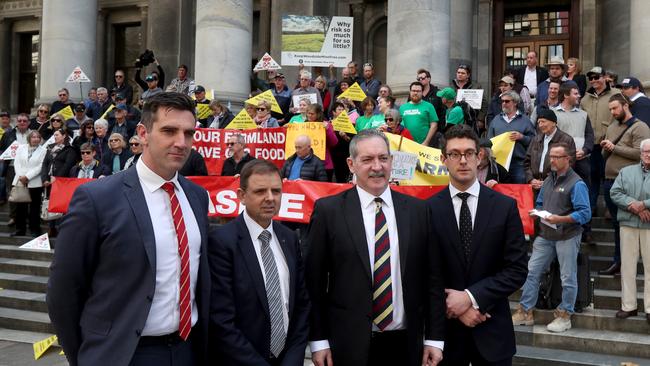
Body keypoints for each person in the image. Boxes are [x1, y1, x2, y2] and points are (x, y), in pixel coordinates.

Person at [47, 92, 211, 366]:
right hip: (123, 354)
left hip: (187, 351)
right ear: (143, 133)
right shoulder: (97, 198)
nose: (181, 143)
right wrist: (87, 357)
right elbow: (63, 290)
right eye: (169, 131)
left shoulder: (197, 196)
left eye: (189, 133)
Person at [306, 129, 445, 366]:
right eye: (367, 159)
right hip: (348, 344)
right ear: (351, 164)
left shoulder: (418, 211)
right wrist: (318, 340)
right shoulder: (328, 211)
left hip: (406, 344)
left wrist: (434, 339)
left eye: (383, 158)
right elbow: (314, 282)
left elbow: (433, 279)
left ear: (391, 161)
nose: (377, 167)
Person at [427, 124, 527, 365]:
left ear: (479, 156)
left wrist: (471, 298)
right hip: (445, 337)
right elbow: (423, 272)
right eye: (454, 154)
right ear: (443, 159)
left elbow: (516, 270)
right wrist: (454, 306)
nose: (463, 160)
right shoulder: (427, 209)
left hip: (492, 330)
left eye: (469, 153)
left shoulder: (504, 207)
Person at [209, 159, 310, 364]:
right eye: (260, 191)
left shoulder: (289, 238)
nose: (270, 198)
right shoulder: (222, 242)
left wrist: (292, 360)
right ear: (241, 196)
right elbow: (221, 320)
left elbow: (300, 306)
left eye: (276, 191)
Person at [513, 142, 591, 333]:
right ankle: (525, 311)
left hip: (567, 236)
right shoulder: (549, 179)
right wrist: (538, 212)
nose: (552, 160)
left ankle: (565, 315)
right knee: (531, 271)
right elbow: (540, 201)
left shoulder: (577, 183)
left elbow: (585, 214)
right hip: (546, 235)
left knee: (567, 277)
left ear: (568, 159)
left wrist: (560, 218)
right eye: (551, 156)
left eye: (556, 157)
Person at [599, 93, 650, 275]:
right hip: (610, 181)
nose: (612, 112)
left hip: (631, 183)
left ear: (625, 105)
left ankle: (631, 263)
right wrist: (605, 147)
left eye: (615, 108)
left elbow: (641, 154)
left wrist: (615, 147)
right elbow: (609, 153)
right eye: (610, 109)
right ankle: (619, 262)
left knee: (631, 225)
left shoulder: (640, 127)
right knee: (617, 224)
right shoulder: (613, 126)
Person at [610, 138, 650, 323]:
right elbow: (615, 193)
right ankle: (629, 306)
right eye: (645, 152)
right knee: (627, 267)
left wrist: (644, 205)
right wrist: (634, 206)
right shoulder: (626, 171)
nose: (648, 155)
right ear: (640, 154)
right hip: (628, 224)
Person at [581, 66, 620, 218]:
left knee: (609, 178)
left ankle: (610, 209)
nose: (593, 80)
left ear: (604, 77)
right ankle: (591, 211)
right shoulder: (584, 99)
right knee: (592, 179)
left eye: (596, 77)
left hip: (610, 144)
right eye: (590, 78)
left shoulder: (616, 94)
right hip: (591, 146)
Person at [487, 90, 537, 183]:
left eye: (507, 101)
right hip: (499, 164)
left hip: (518, 164)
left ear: (515, 103)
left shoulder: (525, 120)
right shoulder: (496, 119)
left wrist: (522, 137)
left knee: (519, 191)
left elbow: (534, 142)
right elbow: (489, 141)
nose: (504, 104)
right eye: (502, 101)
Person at [524, 108, 576, 191]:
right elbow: (527, 162)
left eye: (543, 121)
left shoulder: (566, 140)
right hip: (535, 186)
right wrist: (531, 179)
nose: (540, 125)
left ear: (554, 123)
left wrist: (549, 181)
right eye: (538, 122)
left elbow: (569, 164)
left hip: (555, 186)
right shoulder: (536, 139)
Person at [41, 128, 77, 237]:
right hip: (49, 181)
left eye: (57, 135)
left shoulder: (70, 149)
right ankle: (51, 228)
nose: (55, 137)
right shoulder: (50, 148)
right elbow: (45, 164)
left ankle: (63, 228)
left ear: (64, 136)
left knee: (62, 205)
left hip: (62, 182)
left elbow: (68, 164)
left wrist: (57, 178)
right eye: (54, 135)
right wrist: (45, 179)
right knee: (51, 204)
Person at [11, 130, 46, 237]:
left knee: (34, 207)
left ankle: (34, 229)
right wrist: (22, 176)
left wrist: (27, 176)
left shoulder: (44, 150)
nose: (35, 139)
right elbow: (16, 162)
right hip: (20, 181)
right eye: (33, 137)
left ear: (40, 139)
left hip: (35, 182)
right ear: (29, 138)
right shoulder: (21, 148)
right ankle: (20, 230)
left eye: (38, 137)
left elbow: (40, 166)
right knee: (20, 206)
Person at [0, 114, 31, 225]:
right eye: (20, 120)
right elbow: (2, 149)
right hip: (12, 167)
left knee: (28, 191)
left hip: (30, 168)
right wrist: (3, 157)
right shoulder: (8, 134)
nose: (22, 122)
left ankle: (26, 216)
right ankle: (13, 217)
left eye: (24, 120)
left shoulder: (33, 134)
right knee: (13, 191)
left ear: (28, 122)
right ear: (16, 122)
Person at [304, 104, 338, 181]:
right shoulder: (304, 125)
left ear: (318, 114)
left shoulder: (326, 125)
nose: (309, 115)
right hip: (308, 164)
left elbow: (334, 142)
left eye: (312, 114)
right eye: (308, 113)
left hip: (324, 164)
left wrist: (328, 129)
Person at [399, 81, 439, 146]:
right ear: (410, 92)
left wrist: (426, 142)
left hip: (424, 144)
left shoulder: (429, 106)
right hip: (406, 145)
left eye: (418, 91)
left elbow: (434, 125)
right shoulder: (402, 107)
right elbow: (399, 126)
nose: (415, 93)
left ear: (422, 92)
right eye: (413, 91)